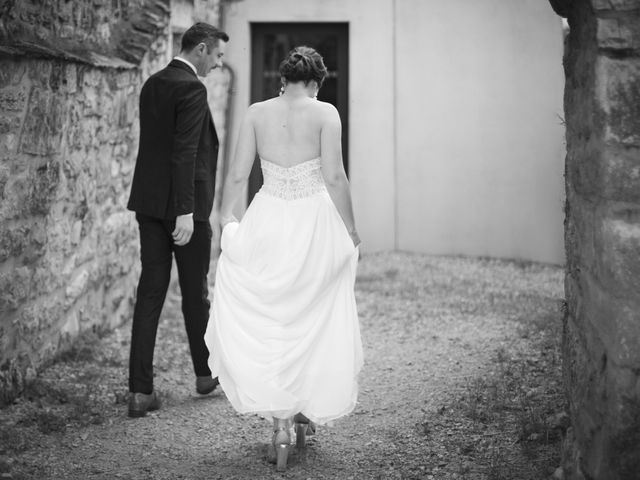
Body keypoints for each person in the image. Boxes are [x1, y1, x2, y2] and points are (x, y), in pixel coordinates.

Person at [204, 46, 363, 471]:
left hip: (269, 217)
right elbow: (333, 176)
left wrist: (226, 220)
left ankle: (279, 424)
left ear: (283, 79)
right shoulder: (326, 113)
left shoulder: (256, 112)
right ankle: (301, 411)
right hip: (313, 221)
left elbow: (237, 174)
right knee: (311, 314)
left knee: (274, 319)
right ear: (315, 82)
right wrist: (350, 228)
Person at [125, 23, 229, 418]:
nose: (218, 64)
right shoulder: (192, 88)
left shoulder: (153, 82)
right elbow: (184, 151)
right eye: (217, 56)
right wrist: (185, 212)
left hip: (149, 205)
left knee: (150, 292)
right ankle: (204, 375)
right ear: (201, 49)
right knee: (194, 293)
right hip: (186, 210)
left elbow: (156, 146)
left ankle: (139, 391)